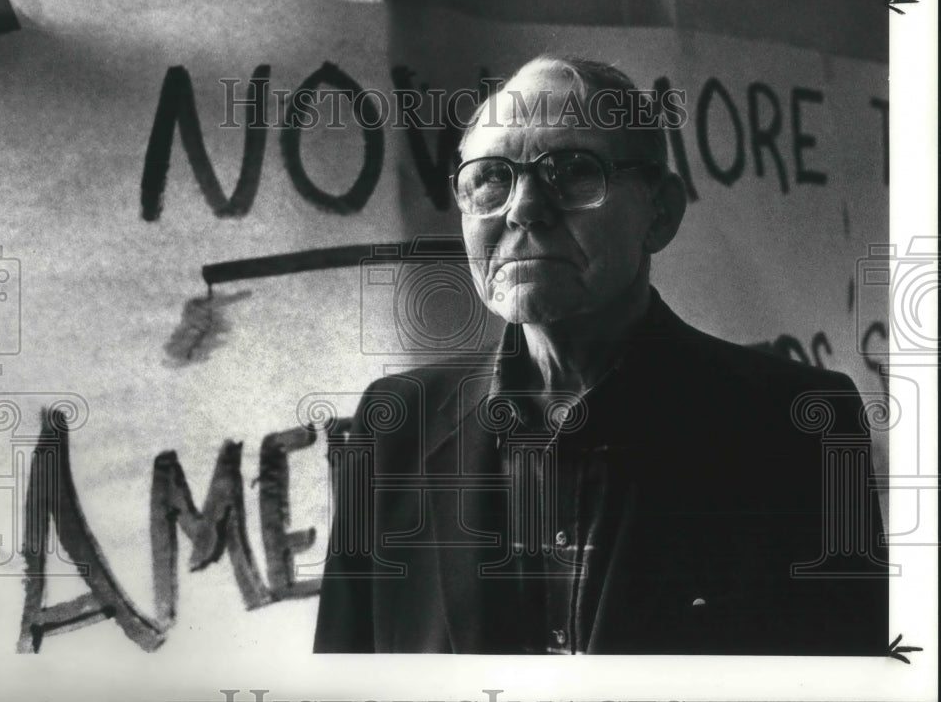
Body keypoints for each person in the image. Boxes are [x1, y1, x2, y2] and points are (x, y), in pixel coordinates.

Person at [313, 56, 889, 655]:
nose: (523, 208)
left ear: (659, 213)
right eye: (488, 180)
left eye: (570, 171)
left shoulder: (797, 424)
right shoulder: (395, 424)